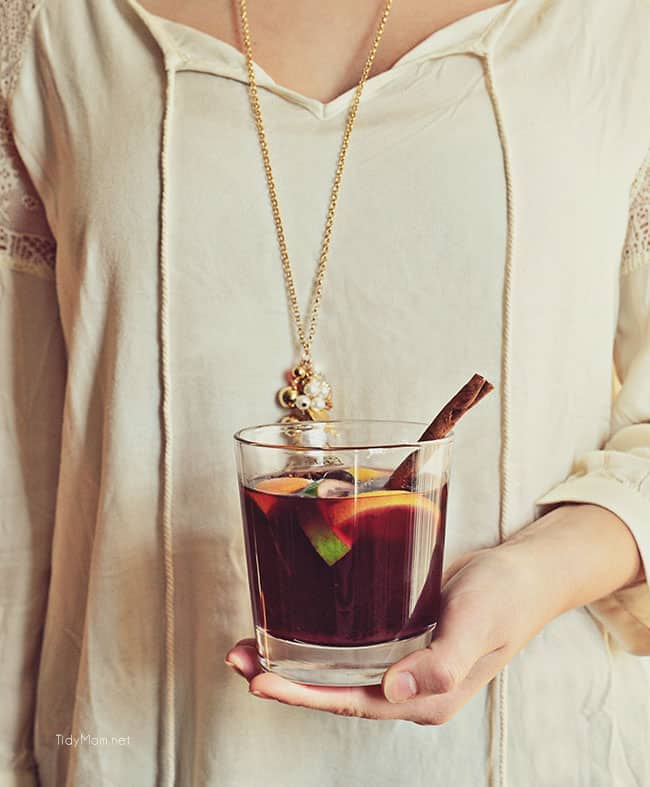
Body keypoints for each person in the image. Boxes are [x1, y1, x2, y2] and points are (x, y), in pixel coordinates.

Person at [1, 1, 649, 785]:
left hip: (530, 742)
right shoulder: (43, 30)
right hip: (135, 743)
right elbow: (17, 464)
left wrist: (537, 572)